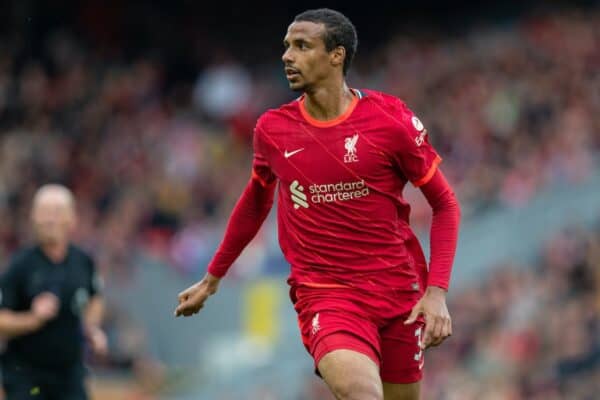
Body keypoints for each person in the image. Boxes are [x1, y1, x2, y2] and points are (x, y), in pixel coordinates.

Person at [175, 8, 460, 400]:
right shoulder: (272, 129)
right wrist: (213, 277)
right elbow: (255, 202)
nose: (287, 56)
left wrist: (437, 292)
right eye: (286, 46)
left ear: (336, 55)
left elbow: (445, 204)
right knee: (361, 393)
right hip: (327, 293)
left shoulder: (390, 121)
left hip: (398, 295)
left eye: (301, 46)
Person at [0, 184, 107, 400]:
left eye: (57, 211)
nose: (50, 219)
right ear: (33, 218)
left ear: (72, 219)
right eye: (44, 212)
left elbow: (95, 297)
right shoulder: (19, 265)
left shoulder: (83, 262)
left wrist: (92, 328)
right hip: (27, 377)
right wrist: (32, 318)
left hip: (69, 376)